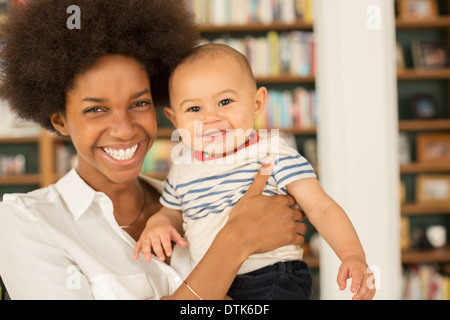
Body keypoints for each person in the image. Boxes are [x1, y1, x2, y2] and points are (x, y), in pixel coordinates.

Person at [0, 0, 308, 300]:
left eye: (139, 103)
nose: (123, 129)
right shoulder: (27, 222)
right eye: (96, 109)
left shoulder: (194, 196)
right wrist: (235, 241)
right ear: (60, 120)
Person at [134, 43, 376, 300]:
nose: (210, 118)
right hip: (213, 282)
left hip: (271, 276)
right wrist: (159, 223)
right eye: (194, 109)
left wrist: (352, 255)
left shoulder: (271, 153)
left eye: (225, 101)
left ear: (257, 103)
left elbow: (321, 208)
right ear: (174, 120)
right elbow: (172, 211)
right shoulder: (182, 167)